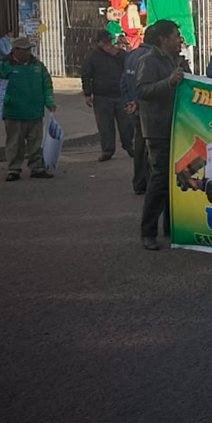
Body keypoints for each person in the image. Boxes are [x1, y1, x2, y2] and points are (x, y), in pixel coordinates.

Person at [136, 20, 186, 251]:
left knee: (174, 179)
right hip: (157, 129)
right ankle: (148, 232)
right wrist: (169, 82)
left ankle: (170, 227)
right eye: (175, 36)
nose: (179, 39)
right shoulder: (149, 61)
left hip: (177, 127)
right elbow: (142, 90)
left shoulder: (177, 60)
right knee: (159, 180)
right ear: (163, 39)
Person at [0, 36, 56, 181]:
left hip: (35, 112)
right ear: (15, 50)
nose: (28, 52)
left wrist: (49, 100)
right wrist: (6, 99)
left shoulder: (38, 66)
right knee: (15, 143)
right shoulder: (2, 66)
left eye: (29, 49)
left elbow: (47, 84)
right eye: (25, 50)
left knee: (36, 142)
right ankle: (14, 169)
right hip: (14, 113)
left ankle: (37, 168)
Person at [80, 29, 132, 163]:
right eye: (105, 42)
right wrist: (87, 94)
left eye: (109, 42)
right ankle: (107, 150)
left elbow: (129, 63)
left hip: (120, 94)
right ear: (99, 43)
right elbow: (86, 75)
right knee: (105, 126)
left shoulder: (119, 54)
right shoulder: (92, 56)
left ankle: (129, 146)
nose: (108, 45)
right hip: (102, 95)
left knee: (126, 124)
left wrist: (117, 54)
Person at [120, 31, 153, 194]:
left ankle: (139, 182)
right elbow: (147, 87)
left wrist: (129, 102)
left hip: (136, 110)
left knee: (139, 148)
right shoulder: (150, 59)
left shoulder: (132, 55)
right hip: (148, 111)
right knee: (150, 150)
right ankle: (148, 183)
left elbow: (123, 81)